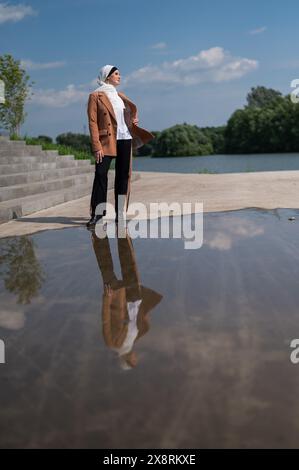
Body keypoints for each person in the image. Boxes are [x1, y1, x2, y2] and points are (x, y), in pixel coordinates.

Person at [86, 64, 154, 228]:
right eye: (116, 74)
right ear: (107, 76)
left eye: (119, 74)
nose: (119, 76)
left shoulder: (120, 96)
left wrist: (133, 120)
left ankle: (120, 214)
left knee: (123, 177)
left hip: (125, 138)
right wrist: (96, 146)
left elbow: (126, 115)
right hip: (106, 141)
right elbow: (92, 122)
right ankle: (97, 214)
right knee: (101, 174)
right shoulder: (96, 96)